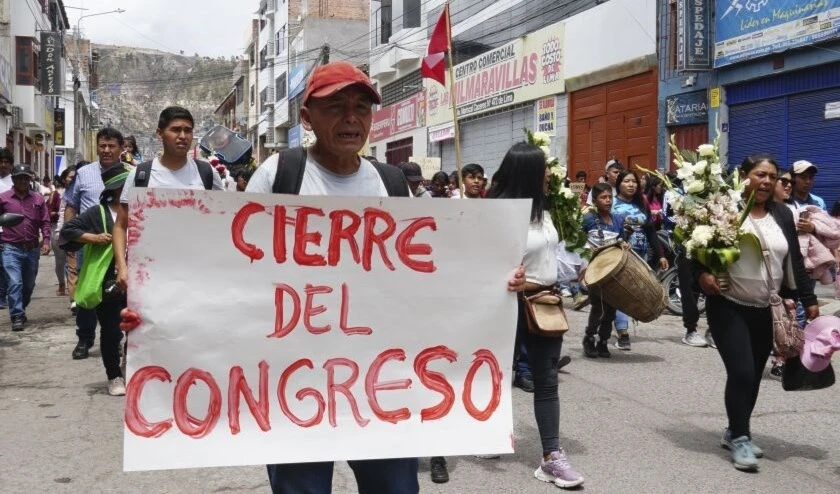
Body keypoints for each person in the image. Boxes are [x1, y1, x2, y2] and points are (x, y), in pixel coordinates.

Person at [120, 62, 526, 492]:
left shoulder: (390, 184)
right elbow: (225, 274)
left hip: (380, 388)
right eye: (336, 106)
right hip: (289, 390)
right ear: (308, 117)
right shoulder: (279, 176)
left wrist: (493, 280)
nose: (352, 118)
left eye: (361, 107)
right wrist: (159, 309)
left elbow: (429, 277)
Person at [697, 154, 818, 471]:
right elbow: (693, 251)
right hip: (728, 306)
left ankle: (735, 430)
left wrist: (808, 299)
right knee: (743, 372)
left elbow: (793, 260)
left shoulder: (781, 214)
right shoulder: (725, 209)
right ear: (743, 176)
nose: (766, 181)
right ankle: (740, 437)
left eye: (772, 176)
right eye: (759, 174)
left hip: (767, 309)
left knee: (752, 378)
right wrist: (702, 275)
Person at [488, 142, 584, 489]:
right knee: (494, 374)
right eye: (544, 168)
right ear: (528, 172)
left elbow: (552, 255)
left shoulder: (543, 211)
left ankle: (551, 456)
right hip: (504, 306)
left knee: (546, 380)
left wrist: (576, 271)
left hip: (544, 304)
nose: (549, 174)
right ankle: (484, 432)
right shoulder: (495, 212)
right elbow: (480, 263)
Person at [113, 106, 224, 290]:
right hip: (148, 277)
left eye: (188, 130)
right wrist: (122, 267)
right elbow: (120, 225)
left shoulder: (207, 173)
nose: (183, 136)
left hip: (198, 276)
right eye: (175, 129)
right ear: (159, 133)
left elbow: (223, 220)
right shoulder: (141, 174)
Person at [60, 165, 130, 396]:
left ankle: (130, 367)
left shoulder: (143, 210)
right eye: (123, 186)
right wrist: (94, 237)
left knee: (137, 329)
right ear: (115, 189)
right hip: (107, 280)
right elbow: (67, 232)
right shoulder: (98, 213)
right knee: (111, 330)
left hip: (138, 280)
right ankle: (114, 376)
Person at [65, 127, 126, 360]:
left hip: (121, 245)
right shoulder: (84, 173)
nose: (106, 150)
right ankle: (85, 338)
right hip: (91, 244)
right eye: (102, 145)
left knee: (119, 295)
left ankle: (115, 338)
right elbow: (71, 205)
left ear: (121, 149)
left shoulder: (131, 174)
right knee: (88, 290)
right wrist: (73, 243)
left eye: (112, 146)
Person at [610, 170, 668, 350]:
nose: (631, 185)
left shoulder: (641, 203)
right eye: (626, 181)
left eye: (634, 181)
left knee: (634, 292)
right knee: (622, 292)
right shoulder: (610, 203)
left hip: (641, 255)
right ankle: (622, 332)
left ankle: (614, 326)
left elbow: (650, 231)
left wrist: (661, 255)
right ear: (619, 183)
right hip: (619, 256)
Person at [0, 165, 51, 331]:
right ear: (13, 179)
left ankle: (21, 307)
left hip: (32, 248)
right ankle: (16, 315)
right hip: (10, 247)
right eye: (19, 177)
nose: (23, 181)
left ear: (30, 180)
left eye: (26, 178)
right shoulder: (3, 198)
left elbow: (45, 221)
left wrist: (46, 241)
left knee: (28, 285)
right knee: (15, 282)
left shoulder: (38, 199)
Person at [48, 167, 75, 296]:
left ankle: (73, 288)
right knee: (60, 261)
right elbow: (57, 212)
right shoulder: (59, 194)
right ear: (64, 180)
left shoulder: (81, 192)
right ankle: (62, 283)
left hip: (76, 232)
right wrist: (58, 232)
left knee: (73, 263)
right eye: (71, 177)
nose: (74, 179)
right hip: (58, 229)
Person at [0, 148, 14, 309]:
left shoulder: (15, 182)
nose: (3, 165)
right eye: (1, 162)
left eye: (6, 162)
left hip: (9, 230)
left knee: (4, 265)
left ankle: (3, 295)